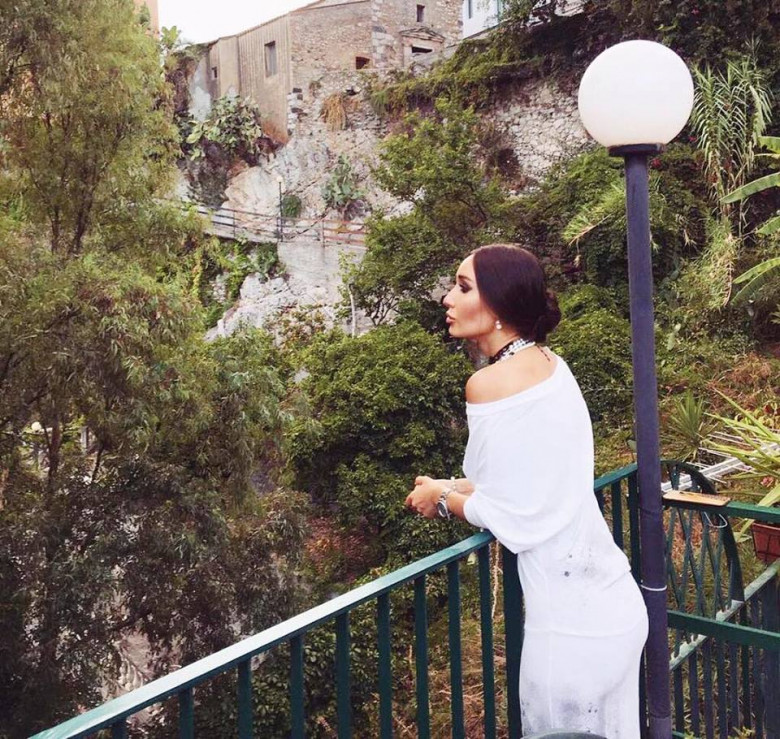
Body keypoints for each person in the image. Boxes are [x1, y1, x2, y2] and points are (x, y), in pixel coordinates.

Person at [405, 244, 648, 738]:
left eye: (463, 287)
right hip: (614, 602)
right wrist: (447, 485)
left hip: (569, 626)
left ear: (499, 304)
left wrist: (442, 500)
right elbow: (522, 481)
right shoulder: (552, 364)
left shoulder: (488, 383)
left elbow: (509, 512)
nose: (448, 298)